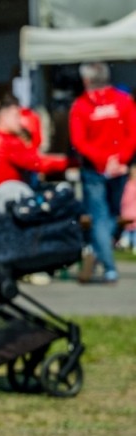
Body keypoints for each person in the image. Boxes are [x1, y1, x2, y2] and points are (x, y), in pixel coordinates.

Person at [69, 61, 136, 284]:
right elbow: (132, 134)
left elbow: (79, 141)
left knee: (106, 218)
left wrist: (110, 160)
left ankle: (99, 254)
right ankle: (108, 265)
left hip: (104, 168)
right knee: (105, 217)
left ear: (86, 80)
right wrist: (115, 160)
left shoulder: (82, 106)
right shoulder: (122, 101)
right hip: (106, 169)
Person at [0, 95, 68, 208]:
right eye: (16, 116)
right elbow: (38, 163)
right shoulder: (9, 142)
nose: (20, 121)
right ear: (3, 116)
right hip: (8, 203)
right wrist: (70, 162)